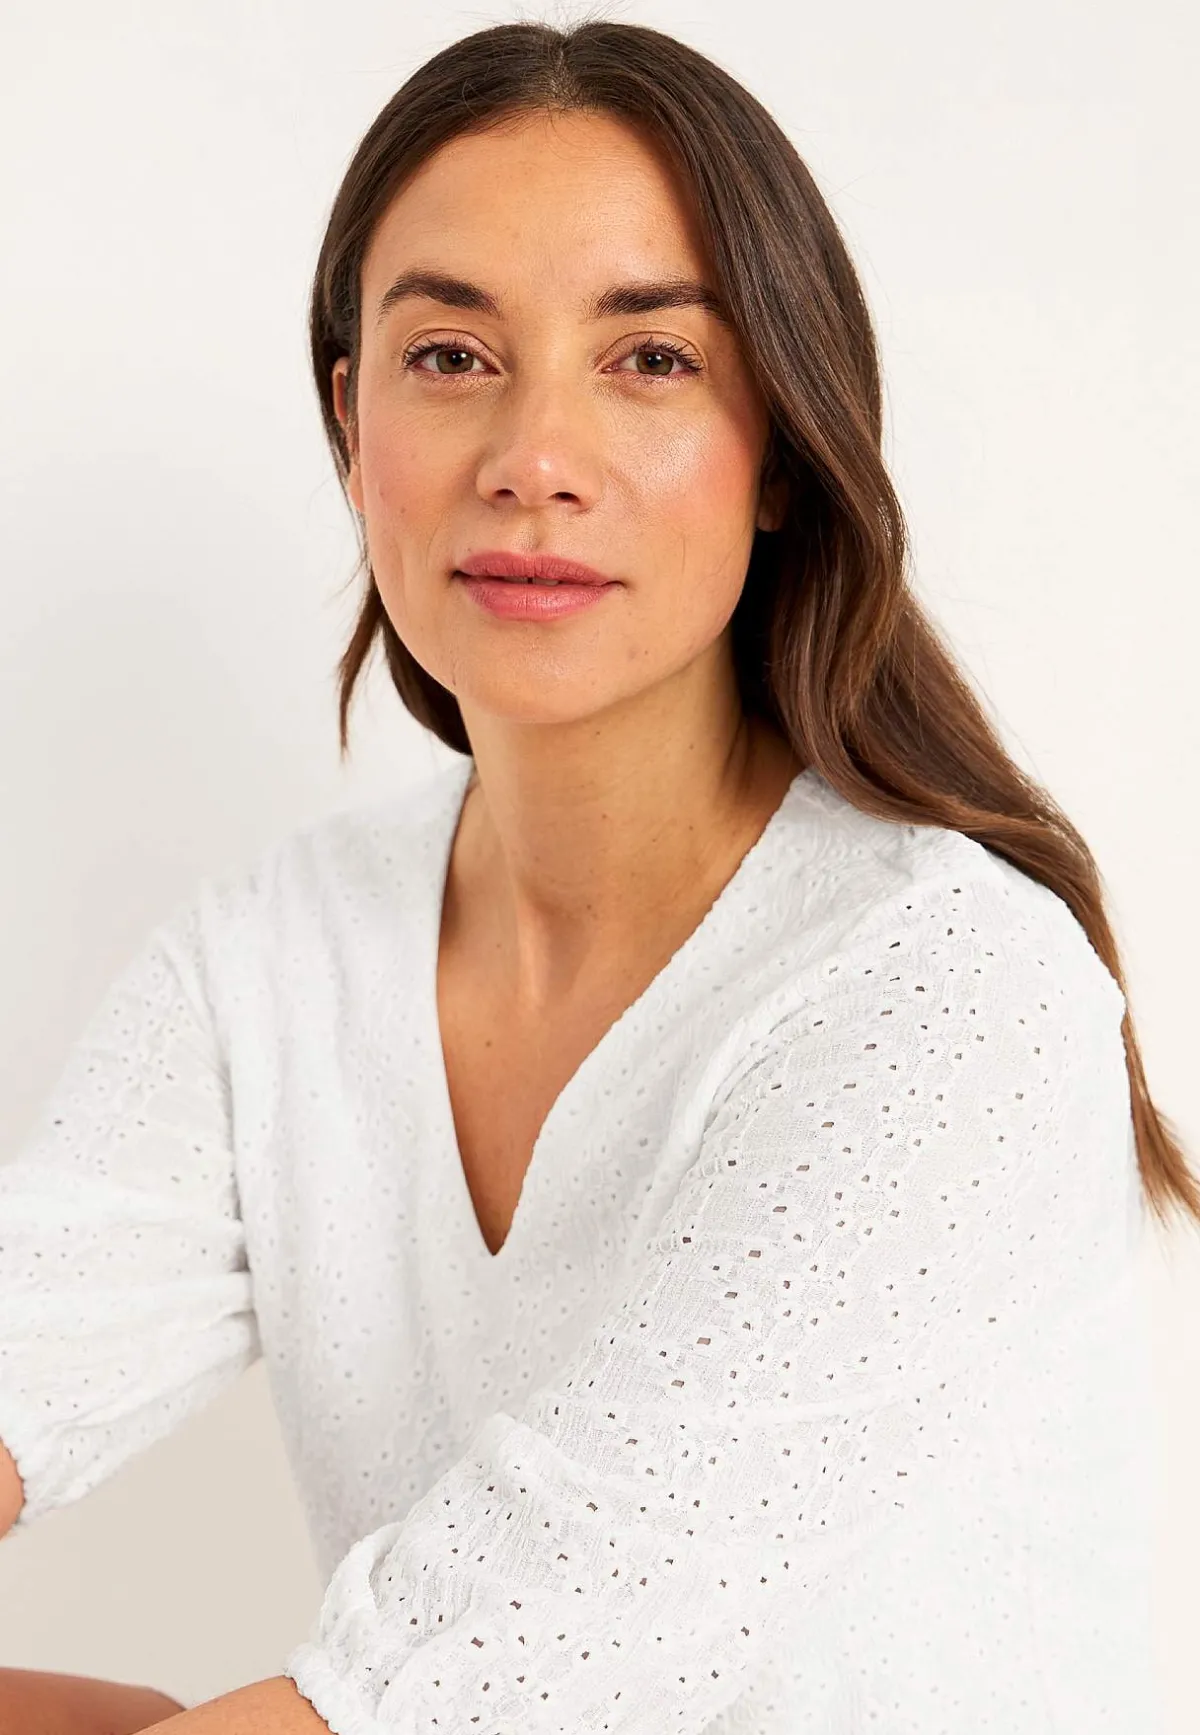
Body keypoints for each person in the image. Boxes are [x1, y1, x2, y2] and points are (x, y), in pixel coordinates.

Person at [1, 19, 1189, 1734]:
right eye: (450, 355)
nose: (532, 457)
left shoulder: (951, 995)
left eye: (649, 361)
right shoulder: (276, 958)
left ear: (779, 445)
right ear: (351, 420)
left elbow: (486, 1668)